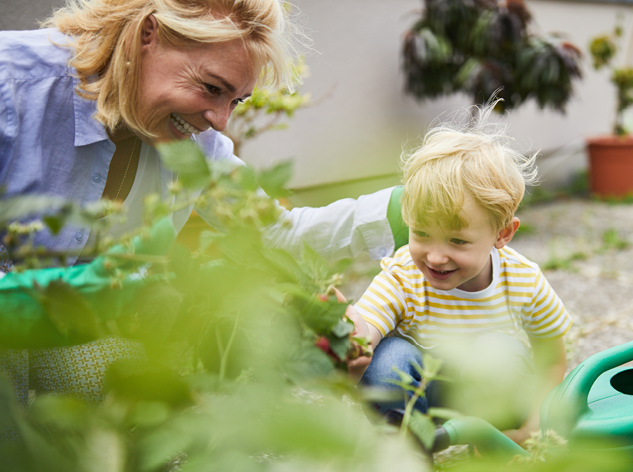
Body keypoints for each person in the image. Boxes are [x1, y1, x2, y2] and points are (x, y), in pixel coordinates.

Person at [0, 0, 405, 405]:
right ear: (147, 35)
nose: (221, 120)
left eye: (236, 101)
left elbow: (273, 234)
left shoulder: (196, 150)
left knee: (125, 391)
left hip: (69, 323)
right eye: (212, 88)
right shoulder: (13, 84)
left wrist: (413, 210)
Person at [347, 102, 572, 444]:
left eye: (457, 240)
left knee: (500, 351)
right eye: (421, 233)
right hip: (422, 398)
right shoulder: (404, 274)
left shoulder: (522, 280)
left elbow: (551, 362)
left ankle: (494, 439)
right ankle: (408, 448)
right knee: (387, 359)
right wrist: (350, 337)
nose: (435, 257)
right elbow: (367, 324)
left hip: (490, 396)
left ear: (503, 234)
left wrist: (535, 424)